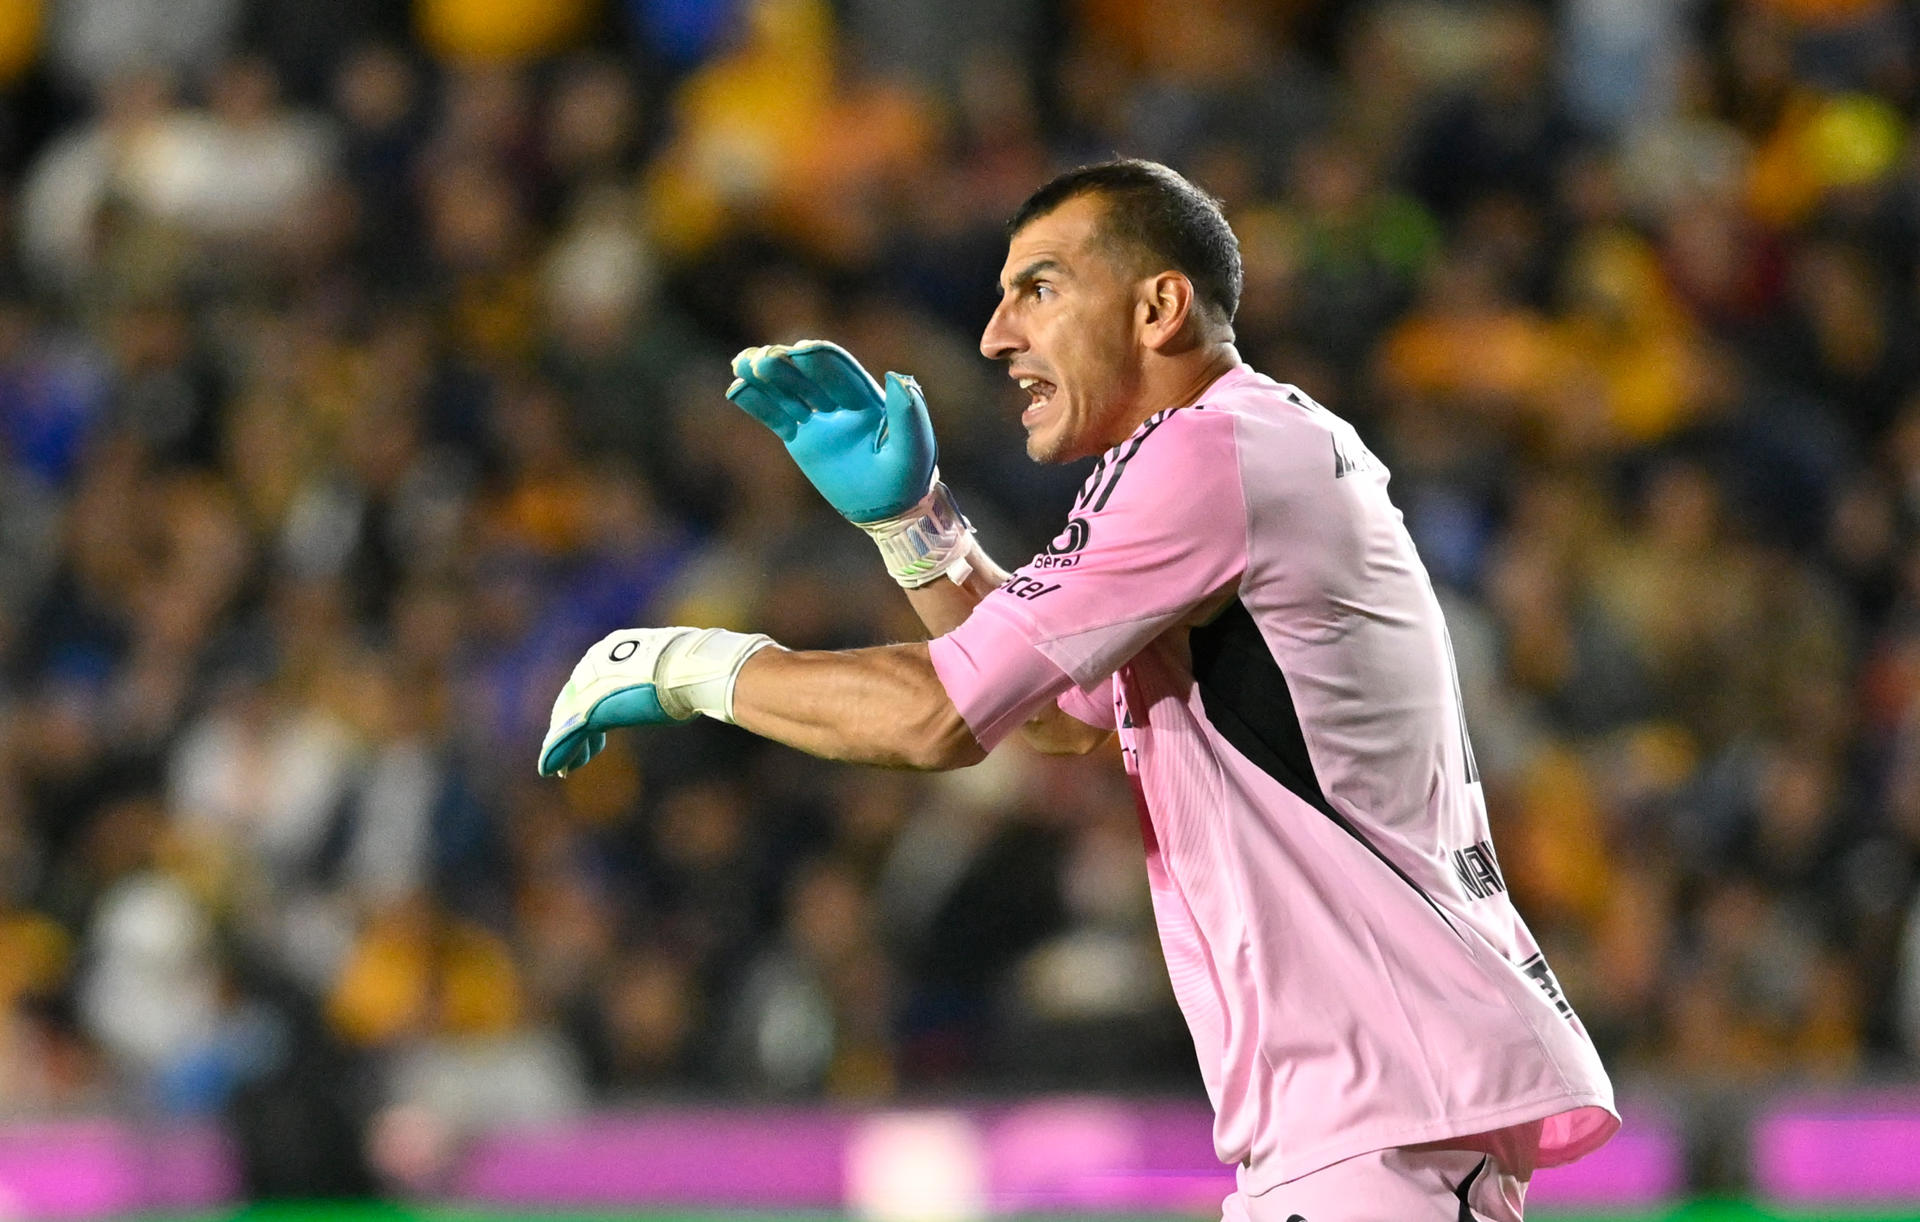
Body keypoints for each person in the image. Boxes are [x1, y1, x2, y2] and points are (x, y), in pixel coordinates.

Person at [538, 160, 1618, 1221]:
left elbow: (941, 715)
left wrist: (688, 668)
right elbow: (1053, 717)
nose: (996, 335)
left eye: (1040, 289)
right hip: (1362, 1120)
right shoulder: (1249, 451)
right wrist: (916, 531)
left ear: (1159, 308)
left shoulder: (1213, 452)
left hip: (1377, 1118)